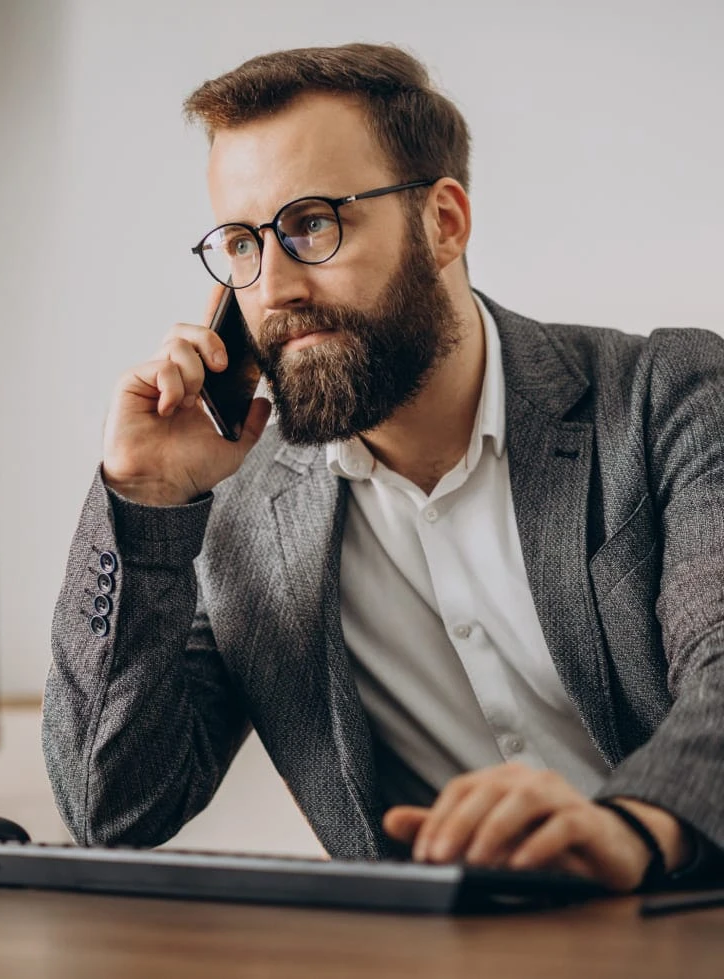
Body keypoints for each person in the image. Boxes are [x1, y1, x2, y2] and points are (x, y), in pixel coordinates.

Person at [42, 43, 724, 892]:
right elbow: (112, 806)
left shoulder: (669, 398)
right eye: (242, 243)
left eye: (312, 224)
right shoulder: (240, 506)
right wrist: (144, 503)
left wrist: (635, 827)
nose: (274, 287)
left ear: (444, 222)